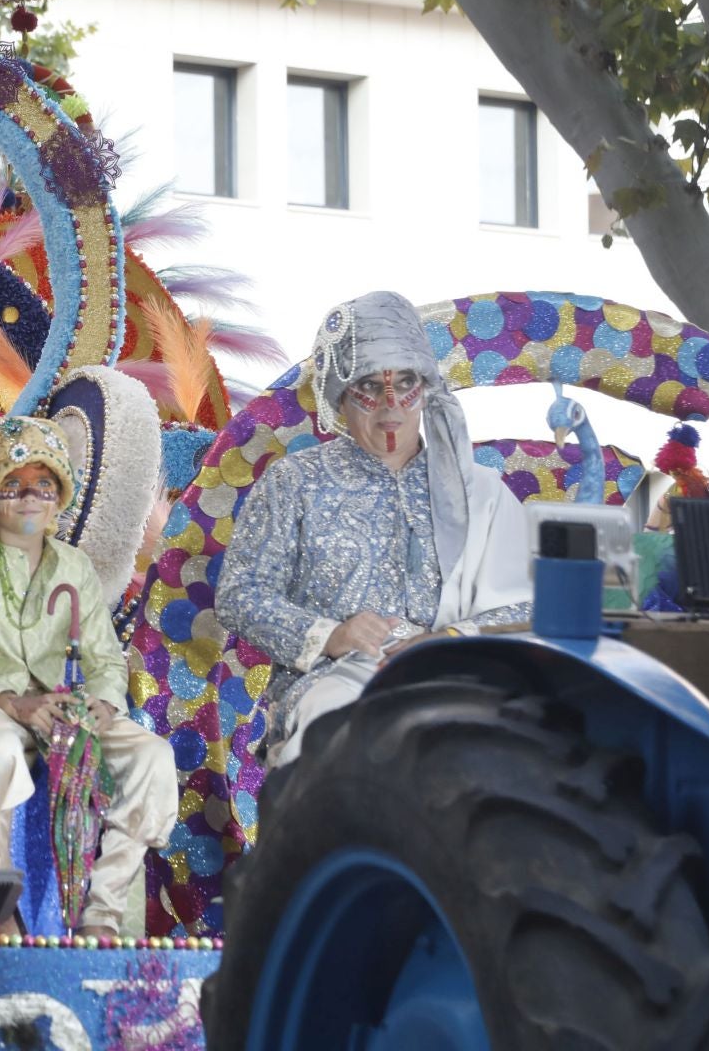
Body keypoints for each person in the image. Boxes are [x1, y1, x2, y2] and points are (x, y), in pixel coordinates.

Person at [217, 291, 531, 766]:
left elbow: (528, 606)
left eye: (405, 383)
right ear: (341, 398)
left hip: (456, 674)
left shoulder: (479, 492)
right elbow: (240, 593)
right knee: (336, 738)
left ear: (425, 390)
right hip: (335, 682)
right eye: (368, 386)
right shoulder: (295, 482)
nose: (390, 405)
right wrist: (330, 634)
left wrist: (446, 640)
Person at [0, 416, 182, 938]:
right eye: (13, 487)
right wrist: (11, 703)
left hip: (63, 710)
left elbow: (106, 661)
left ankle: (102, 915)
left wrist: (101, 705)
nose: (29, 499)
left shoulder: (75, 566)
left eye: (43, 485)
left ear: (59, 495)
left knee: (154, 756)